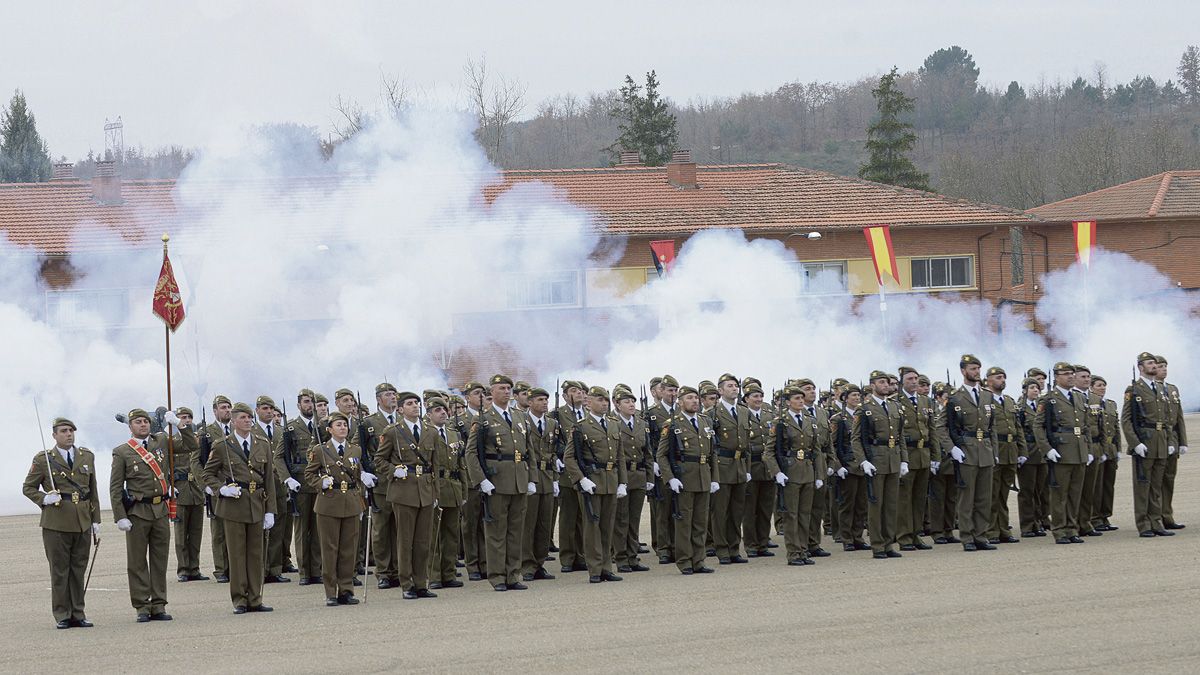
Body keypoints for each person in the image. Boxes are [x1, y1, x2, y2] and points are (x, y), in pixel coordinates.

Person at [202, 402, 285, 614]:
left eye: (249, 418)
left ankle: (256, 598)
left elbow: (269, 481)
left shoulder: (262, 443)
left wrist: (270, 510)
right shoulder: (222, 445)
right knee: (237, 555)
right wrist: (221, 489)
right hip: (234, 505)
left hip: (257, 503)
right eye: (243, 418)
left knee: (257, 554)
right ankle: (239, 599)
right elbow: (207, 474)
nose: (248, 421)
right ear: (233, 420)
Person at [23, 417, 101, 629]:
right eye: (64, 431)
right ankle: (62, 614)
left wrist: (96, 520)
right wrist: (44, 499)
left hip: (82, 521)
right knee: (60, 571)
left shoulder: (86, 456)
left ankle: (78, 612)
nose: (69, 434)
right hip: (56, 522)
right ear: (54, 435)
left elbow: (92, 491)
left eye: (71, 430)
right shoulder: (44, 460)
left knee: (78, 570)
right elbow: (28, 488)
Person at [110, 408, 179, 622]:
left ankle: (159, 604)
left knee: (160, 561)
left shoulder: (161, 442)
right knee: (137, 562)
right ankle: (141, 605)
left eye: (146, 421)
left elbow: (189, 445)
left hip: (160, 510)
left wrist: (177, 425)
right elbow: (115, 487)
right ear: (130, 426)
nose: (143, 425)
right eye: (138, 422)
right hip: (138, 512)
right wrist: (120, 515)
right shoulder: (122, 451)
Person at [467, 374, 534, 591]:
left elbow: (529, 450)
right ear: (491, 392)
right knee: (496, 531)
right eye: (501, 388)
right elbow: (471, 454)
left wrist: (531, 478)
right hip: (496, 480)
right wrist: (481, 480)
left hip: (518, 479)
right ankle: (497, 576)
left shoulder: (520, 417)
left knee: (516, 531)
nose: (506, 392)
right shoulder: (483, 419)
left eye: (508, 388)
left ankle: (513, 575)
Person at [375, 391, 438, 599]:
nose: (415, 406)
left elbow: (435, 464)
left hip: (425, 490)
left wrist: (435, 492)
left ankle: (421, 583)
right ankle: (407, 584)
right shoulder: (393, 431)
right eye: (410, 404)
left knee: (423, 540)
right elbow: (379, 460)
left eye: (417, 403)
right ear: (400, 409)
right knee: (405, 540)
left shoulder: (430, 431)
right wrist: (394, 470)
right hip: (404, 490)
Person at [566, 385, 628, 583]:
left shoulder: (613, 424)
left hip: (610, 480)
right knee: (592, 527)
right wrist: (581, 479)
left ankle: (606, 567)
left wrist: (622, 482)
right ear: (588, 402)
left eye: (606, 400)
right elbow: (569, 457)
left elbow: (620, 457)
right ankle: (594, 569)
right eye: (599, 400)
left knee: (607, 526)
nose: (604, 403)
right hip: (592, 480)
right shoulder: (581, 426)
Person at [304, 411, 366, 606]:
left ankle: (346, 590)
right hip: (329, 502)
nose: (343, 428)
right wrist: (320, 482)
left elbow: (357, 476)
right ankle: (330, 591)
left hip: (351, 501)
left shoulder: (355, 450)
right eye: (338, 425)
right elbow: (309, 473)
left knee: (349, 549)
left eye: (345, 425)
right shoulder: (321, 450)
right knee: (330, 549)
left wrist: (361, 501)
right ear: (330, 429)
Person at [938, 355, 998, 552]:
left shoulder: (987, 395)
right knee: (967, 498)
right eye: (973, 369)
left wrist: (994, 452)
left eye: (978, 368)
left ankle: (981, 535)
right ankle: (967, 537)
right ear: (963, 371)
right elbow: (941, 426)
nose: (977, 372)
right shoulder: (954, 397)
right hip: (966, 450)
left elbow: (992, 427)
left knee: (984, 498)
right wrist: (952, 448)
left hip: (985, 450)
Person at [657, 385, 717, 575]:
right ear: (680, 402)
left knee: (700, 522)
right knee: (684, 523)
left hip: (703, 477)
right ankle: (684, 561)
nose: (694, 401)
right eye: (689, 398)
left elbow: (712, 452)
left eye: (696, 398)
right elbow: (661, 455)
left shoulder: (705, 421)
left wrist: (715, 478)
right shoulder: (672, 424)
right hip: (684, 477)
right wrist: (670, 478)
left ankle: (699, 560)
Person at [1033, 363, 1090, 544]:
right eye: (1066, 374)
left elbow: (1086, 425)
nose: (1070, 377)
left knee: (1075, 494)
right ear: (1056, 377)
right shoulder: (1049, 398)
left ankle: (1072, 528)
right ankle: (1059, 530)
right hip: (1061, 450)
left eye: (1072, 374)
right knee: (1059, 495)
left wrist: (1087, 449)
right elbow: (1038, 426)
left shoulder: (1079, 398)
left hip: (1079, 450)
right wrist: (1047, 449)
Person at [853, 372, 907, 559]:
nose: (885, 385)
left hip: (893, 458)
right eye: (881, 382)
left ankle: (888, 543)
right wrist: (863, 461)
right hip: (875, 459)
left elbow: (900, 437)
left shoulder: (895, 407)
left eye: (887, 382)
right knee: (876, 505)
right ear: (872, 385)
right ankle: (877, 545)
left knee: (891, 505)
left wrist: (904, 460)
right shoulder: (865, 409)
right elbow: (856, 439)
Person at [765, 385, 820, 565]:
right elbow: (769, 452)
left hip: (807, 471)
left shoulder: (810, 420)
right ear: (788, 402)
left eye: (801, 398)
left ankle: (803, 550)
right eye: (796, 399)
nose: (800, 401)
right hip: (790, 472)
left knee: (805, 514)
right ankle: (794, 553)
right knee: (791, 515)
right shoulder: (780, 422)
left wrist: (818, 474)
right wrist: (777, 472)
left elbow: (817, 450)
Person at [1121, 353, 1174, 537]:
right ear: (1141, 368)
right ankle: (1143, 524)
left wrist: (1170, 441)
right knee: (1143, 486)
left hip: (1160, 441)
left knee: (1156, 486)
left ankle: (1156, 522)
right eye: (1150, 363)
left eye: (1154, 363)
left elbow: (1166, 418)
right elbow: (1126, 420)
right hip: (1145, 441)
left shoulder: (1160, 388)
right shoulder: (1134, 389)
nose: (1154, 366)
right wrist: (1135, 443)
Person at [278, 389, 327, 586]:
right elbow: (279, 457)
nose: (310, 406)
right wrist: (287, 478)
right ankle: (305, 571)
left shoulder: (322, 427)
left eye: (312, 402)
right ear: (299, 405)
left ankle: (317, 569)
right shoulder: (291, 428)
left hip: (319, 483)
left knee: (318, 529)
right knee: (301, 529)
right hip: (300, 483)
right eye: (306, 402)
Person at [363, 382, 401, 589]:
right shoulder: (369, 423)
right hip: (381, 482)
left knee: (401, 528)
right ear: (378, 399)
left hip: (404, 483)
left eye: (394, 394)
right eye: (388, 394)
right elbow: (356, 450)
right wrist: (363, 473)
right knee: (381, 529)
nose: (393, 397)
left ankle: (399, 569)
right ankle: (384, 572)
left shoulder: (403, 420)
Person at [426, 397, 467, 589]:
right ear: (428, 415)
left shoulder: (454, 435)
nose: (443, 413)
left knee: (451, 534)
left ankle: (448, 573)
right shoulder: (425, 434)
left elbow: (461, 464)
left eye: (444, 409)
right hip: (435, 487)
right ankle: (434, 575)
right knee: (433, 534)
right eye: (437, 410)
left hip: (453, 486)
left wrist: (464, 490)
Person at [709, 373, 750, 564]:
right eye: (730, 386)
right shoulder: (712, 413)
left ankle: (734, 548)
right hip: (722, 467)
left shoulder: (743, 411)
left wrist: (747, 467)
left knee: (737, 511)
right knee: (720, 511)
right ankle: (722, 549)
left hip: (740, 466)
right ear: (720, 390)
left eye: (736, 386)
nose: (734, 389)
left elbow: (747, 443)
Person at [522, 387, 559, 581]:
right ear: (530, 402)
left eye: (546, 399)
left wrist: (555, 479)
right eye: (539, 399)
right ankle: (527, 564)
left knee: (545, 523)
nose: (544, 402)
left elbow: (552, 451)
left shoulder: (552, 423)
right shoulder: (522, 421)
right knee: (529, 522)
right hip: (529, 474)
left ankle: (539, 563)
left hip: (547, 475)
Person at [896, 367, 935, 551]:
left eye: (916, 378)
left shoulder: (925, 401)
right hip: (908, 454)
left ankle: (916, 534)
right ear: (902, 381)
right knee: (905, 498)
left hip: (923, 454)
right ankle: (904, 537)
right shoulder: (896, 401)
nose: (914, 381)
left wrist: (935, 456)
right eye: (910, 378)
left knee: (920, 498)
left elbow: (931, 429)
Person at [253, 395, 291, 583]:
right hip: (260, 485)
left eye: (271, 409)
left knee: (278, 528)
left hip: (279, 485)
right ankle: (260, 569)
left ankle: (275, 569)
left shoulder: (281, 431)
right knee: (260, 530)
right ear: (257, 410)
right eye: (265, 408)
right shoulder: (251, 431)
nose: (268, 412)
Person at [985, 367, 1025, 544]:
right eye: (998, 377)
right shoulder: (984, 400)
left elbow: (1018, 428)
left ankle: (1003, 528)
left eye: (1003, 377)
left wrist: (1022, 451)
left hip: (1010, 450)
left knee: (1003, 494)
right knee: (991, 494)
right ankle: (991, 530)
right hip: (995, 449)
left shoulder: (1008, 401)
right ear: (988, 380)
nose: (1002, 380)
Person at [554, 380, 588, 573]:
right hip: (567, 472)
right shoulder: (558, 415)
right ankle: (567, 557)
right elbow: (555, 440)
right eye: (574, 391)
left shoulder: (588, 415)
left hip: (586, 471)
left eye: (582, 391)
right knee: (568, 517)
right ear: (566, 396)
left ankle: (581, 555)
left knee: (584, 516)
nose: (579, 394)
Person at [171, 407, 208, 581]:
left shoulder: (198, 439)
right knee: (180, 535)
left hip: (196, 490)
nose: (186, 420)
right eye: (182, 418)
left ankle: (195, 567)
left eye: (188, 417)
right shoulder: (172, 440)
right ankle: (183, 569)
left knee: (195, 533)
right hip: (180, 490)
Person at [646, 375, 680, 565]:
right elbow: (647, 440)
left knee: (678, 508)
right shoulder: (652, 413)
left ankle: (676, 546)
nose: (672, 394)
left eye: (675, 391)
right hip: (661, 466)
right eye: (669, 390)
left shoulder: (681, 411)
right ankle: (663, 548)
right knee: (662, 509)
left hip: (678, 466)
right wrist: (653, 462)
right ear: (662, 392)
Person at [741, 383, 777, 558]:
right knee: (750, 510)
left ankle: (763, 543)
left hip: (767, 469)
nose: (759, 400)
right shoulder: (742, 415)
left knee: (765, 509)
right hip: (752, 467)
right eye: (755, 396)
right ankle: (751, 544)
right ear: (747, 399)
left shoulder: (769, 415)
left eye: (761, 396)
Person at [833, 385, 869, 551]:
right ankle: (846, 537)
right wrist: (838, 466)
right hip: (848, 465)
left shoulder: (863, 415)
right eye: (853, 395)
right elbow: (833, 445)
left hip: (862, 465)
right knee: (847, 504)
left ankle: (858, 536)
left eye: (858, 395)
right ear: (845, 398)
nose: (857, 398)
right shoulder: (838, 419)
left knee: (861, 504)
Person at [203, 394, 234, 582]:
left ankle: (235, 567)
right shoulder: (207, 432)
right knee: (219, 532)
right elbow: (197, 461)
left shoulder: (236, 430)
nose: (227, 411)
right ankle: (222, 569)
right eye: (223, 407)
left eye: (229, 407)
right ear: (215, 411)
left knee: (234, 529)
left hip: (235, 486)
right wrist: (207, 485)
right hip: (217, 486)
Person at [1156, 355, 1188, 529]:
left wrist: (1183, 441)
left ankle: (1167, 515)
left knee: (1169, 480)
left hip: (1173, 442)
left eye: (1165, 366)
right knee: (1156, 482)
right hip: (1159, 440)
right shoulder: (1151, 389)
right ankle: (1155, 517)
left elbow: (1179, 418)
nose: (1164, 369)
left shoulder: (1173, 389)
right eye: (1160, 366)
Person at [1015, 377, 1049, 537]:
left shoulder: (1041, 407)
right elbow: (1019, 432)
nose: (1036, 390)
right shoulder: (1020, 409)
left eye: (1037, 388)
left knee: (1039, 490)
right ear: (1025, 390)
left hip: (1041, 453)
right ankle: (1027, 525)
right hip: (1028, 452)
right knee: (1027, 491)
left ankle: (1038, 521)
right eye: (1032, 388)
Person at [1089, 376, 1121, 533]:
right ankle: (1094, 517)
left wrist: (1118, 448)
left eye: (1104, 385)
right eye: (1099, 385)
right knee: (1097, 485)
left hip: (1111, 448)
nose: (1102, 388)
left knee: (1109, 485)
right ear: (1091, 387)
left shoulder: (1110, 404)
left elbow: (1116, 429)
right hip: (1098, 448)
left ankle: (1105, 515)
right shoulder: (1090, 403)